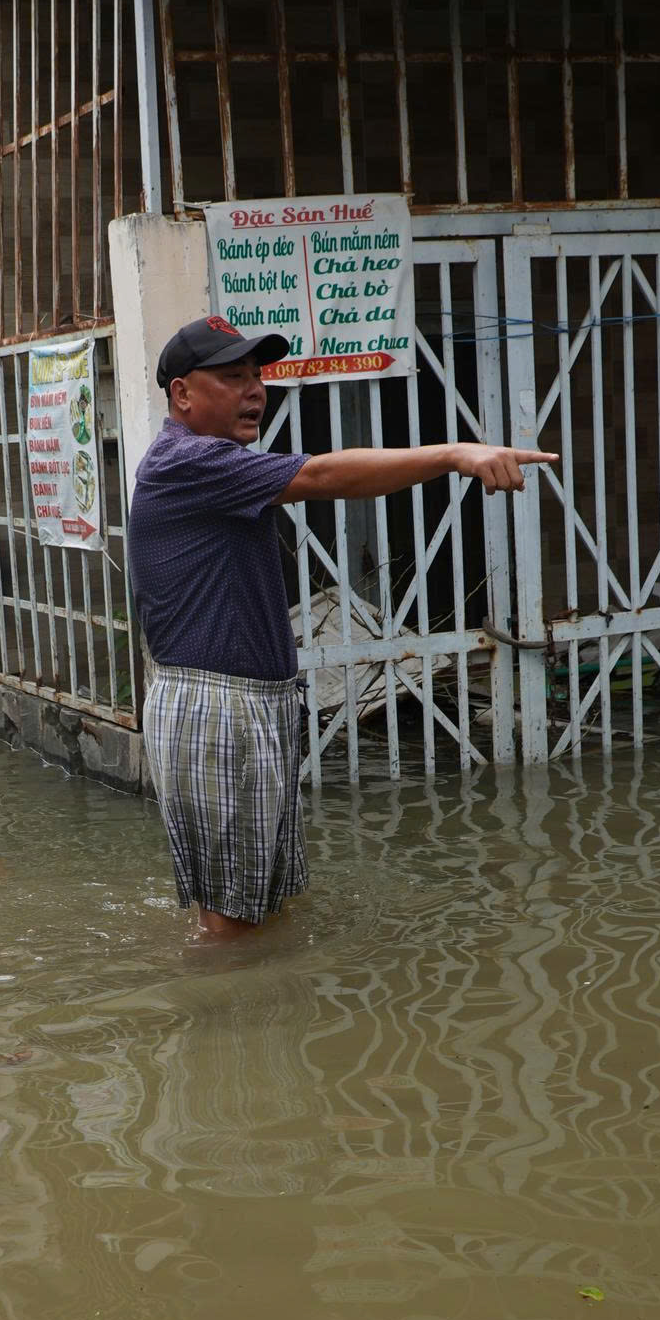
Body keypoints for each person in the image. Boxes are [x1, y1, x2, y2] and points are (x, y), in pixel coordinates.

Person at [128, 316, 555, 939]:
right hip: (217, 706)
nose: (254, 391)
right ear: (182, 395)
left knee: (264, 904)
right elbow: (322, 476)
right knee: (231, 920)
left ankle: (257, 1021)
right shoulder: (189, 462)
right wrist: (455, 454)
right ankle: (213, 1023)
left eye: (257, 376)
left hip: (248, 703)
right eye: (232, 378)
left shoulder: (215, 468)